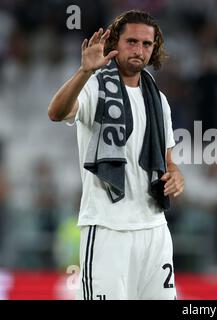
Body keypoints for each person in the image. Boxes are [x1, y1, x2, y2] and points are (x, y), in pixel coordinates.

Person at [47, 10, 184, 300]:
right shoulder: (95, 87)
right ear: (115, 44)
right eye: (131, 41)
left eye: (147, 44)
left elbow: (169, 160)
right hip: (108, 228)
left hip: (154, 229)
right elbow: (56, 113)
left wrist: (176, 175)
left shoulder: (158, 99)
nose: (139, 50)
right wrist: (84, 71)